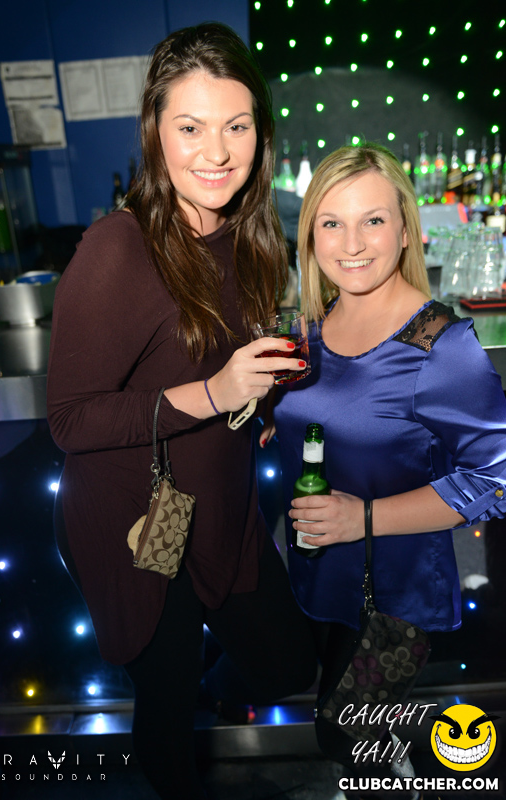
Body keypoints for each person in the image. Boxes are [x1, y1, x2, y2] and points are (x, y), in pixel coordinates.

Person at [47, 22, 317, 800]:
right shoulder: (119, 248)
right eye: (191, 127)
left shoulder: (253, 236)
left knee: (284, 663)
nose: (217, 151)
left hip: (221, 503)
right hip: (143, 515)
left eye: (237, 126)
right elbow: (70, 421)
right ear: (155, 131)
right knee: (165, 706)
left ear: (261, 132)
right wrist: (216, 395)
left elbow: (216, 355)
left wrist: (264, 396)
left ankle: (196, 677)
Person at [267, 143, 506, 789]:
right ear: (310, 234)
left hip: (395, 595)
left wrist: (364, 517)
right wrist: (272, 417)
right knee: (346, 732)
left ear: (405, 229)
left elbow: (497, 480)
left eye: (373, 220)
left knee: (344, 733)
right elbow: (335, 415)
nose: (352, 244)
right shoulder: (312, 329)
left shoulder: (440, 344)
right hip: (318, 573)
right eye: (332, 222)